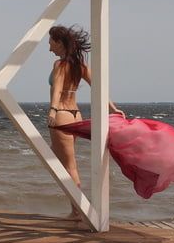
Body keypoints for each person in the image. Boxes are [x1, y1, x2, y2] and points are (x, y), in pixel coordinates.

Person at [46, 25, 123, 224]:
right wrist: (112, 108)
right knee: (57, 160)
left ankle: (79, 209)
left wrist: (53, 111)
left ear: (59, 42)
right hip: (75, 115)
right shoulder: (80, 65)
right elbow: (98, 88)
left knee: (69, 166)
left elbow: (57, 90)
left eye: (51, 42)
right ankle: (77, 206)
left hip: (62, 114)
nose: (49, 47)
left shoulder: (59, 65)